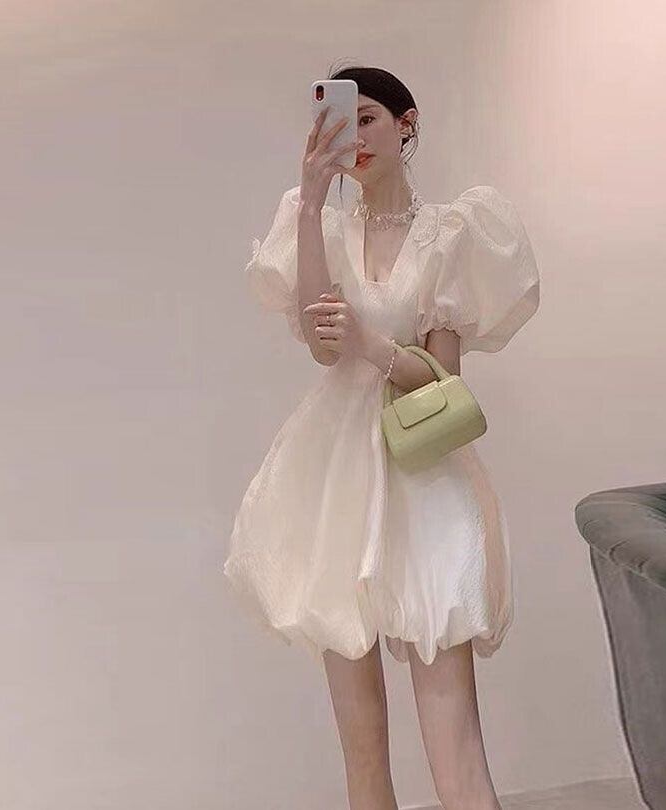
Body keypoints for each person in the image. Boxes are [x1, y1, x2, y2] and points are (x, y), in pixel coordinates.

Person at [223, 63, 540, 810]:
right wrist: (310, 201)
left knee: (455, 742)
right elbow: (319, 345)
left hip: (423, 474)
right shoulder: (320, 226)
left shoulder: (450, 233)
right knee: (361, 749)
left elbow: (442, 379)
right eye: (340, 122)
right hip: (333, 478)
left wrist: (372, 344)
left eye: (366, 118)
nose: (354, 137)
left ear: (407, 123)